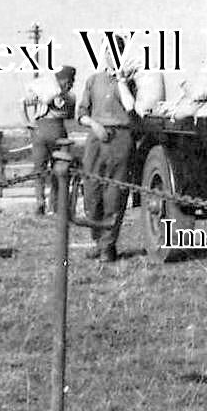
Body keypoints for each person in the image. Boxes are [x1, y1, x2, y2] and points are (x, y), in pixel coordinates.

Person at [77, 34, 137, 262]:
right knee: (91, 193)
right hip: (96, 138)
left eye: (117, 51)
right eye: (108, 51)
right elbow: (81, 114)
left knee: (115, 194)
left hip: (121, 139)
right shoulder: (93, 80)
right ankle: (98, 240)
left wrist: (121, 81)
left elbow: (131, 108)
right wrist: (95, 125)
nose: (112, 56)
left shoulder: (129, 82)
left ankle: (108, 246)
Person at [24, 65, 77, 215]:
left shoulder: (45, 90)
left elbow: (24, 102)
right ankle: (53, 205)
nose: (71, 84)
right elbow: (70, 117)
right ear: (66, 81)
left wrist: (28, 122)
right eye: (70, 81)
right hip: (56, 131)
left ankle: (43, 203)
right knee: (56, 169)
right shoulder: (69, 96)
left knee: (41, 169)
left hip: (42, 130)